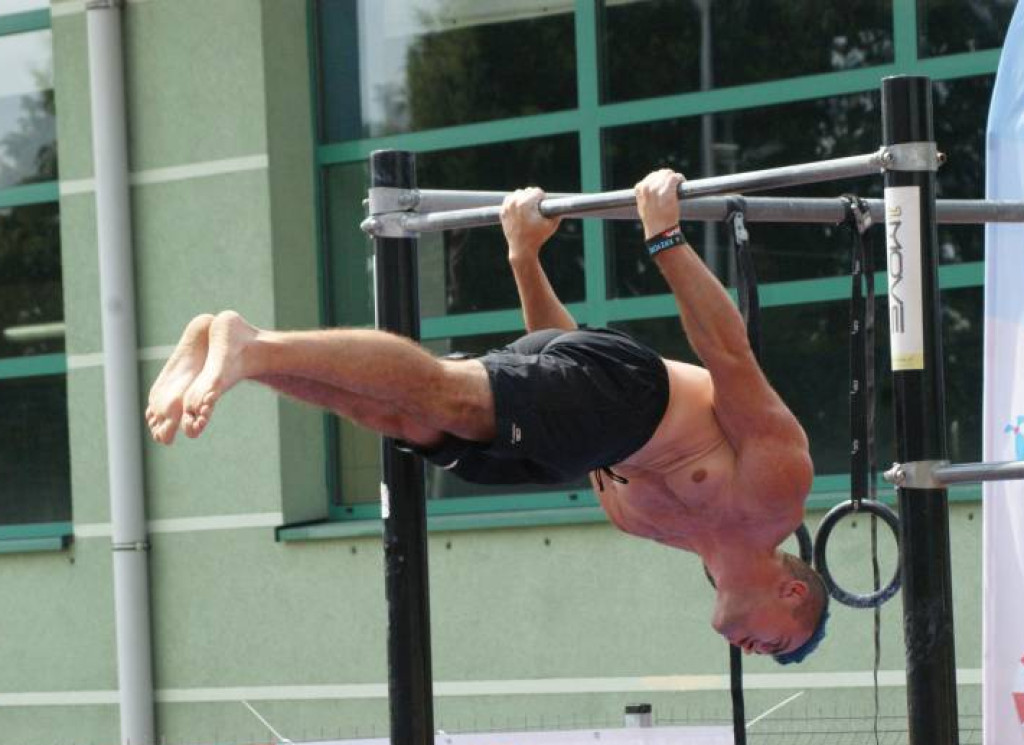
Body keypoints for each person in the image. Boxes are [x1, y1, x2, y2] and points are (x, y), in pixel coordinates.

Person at [146, 169, 828, 663]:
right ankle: (252, 344)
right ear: (794, 590)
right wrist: (665, 238)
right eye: (780, 644)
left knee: (405, 420)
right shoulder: (775, 497)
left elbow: (561, 372)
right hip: (637, 392)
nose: (756, 651)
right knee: (448, 395)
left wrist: (523, 257)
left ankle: (249, 357)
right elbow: (729, 355)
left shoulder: (652, 527)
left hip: (593, 426)